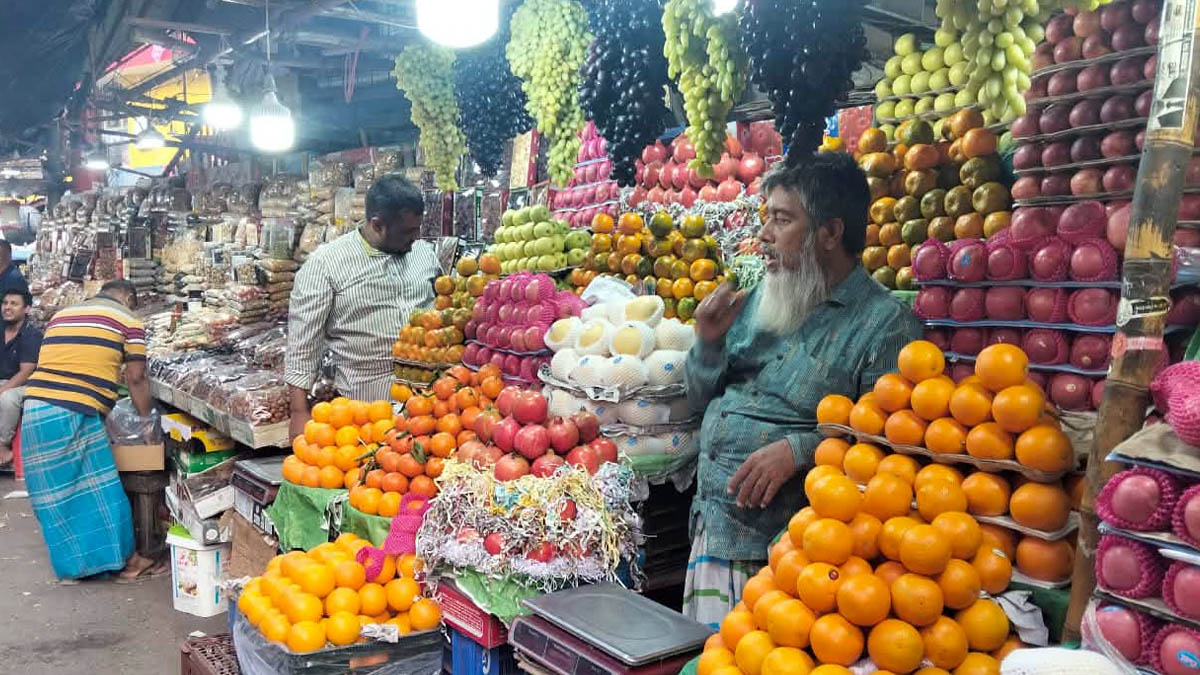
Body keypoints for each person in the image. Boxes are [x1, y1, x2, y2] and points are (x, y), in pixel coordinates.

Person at [682, 153, 923, 627]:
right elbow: (700, 401)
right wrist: (707, 345)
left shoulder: (886, 326)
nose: (764, 236)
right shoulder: (758, 301)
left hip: (792, 558)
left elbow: (892, 448)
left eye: (782, 219)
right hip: (712, 524)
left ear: (831, 233)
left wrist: (800, 449)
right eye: (765, 218)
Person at [20, 280, 162, 582]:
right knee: (101, 488)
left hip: (36, 407)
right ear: (127, 297)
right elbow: (136, 379)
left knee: (57, 496)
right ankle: (129, 562)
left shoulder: (62, 315)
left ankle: (79, 566)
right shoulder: (128, 320)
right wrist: (147, 422)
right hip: (75, 411)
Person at [285, 174, 441, 438]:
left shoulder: (423, 253)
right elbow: (302, 345)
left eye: (418, 229)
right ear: (377, 225)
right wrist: (299, 413)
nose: (416, 238)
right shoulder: (326, 264)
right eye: (407, 232)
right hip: (365, 414)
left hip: (429, 406)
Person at [0, 288, 41, 466]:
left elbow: (25, 373)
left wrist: (2, 389)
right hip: (3, 382)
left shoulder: (31, 335)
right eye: (5, 303)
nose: (7, 307)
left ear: (26, 309)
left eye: (14, 304)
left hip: (26, 384)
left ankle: (2, 446)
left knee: (7, 398)